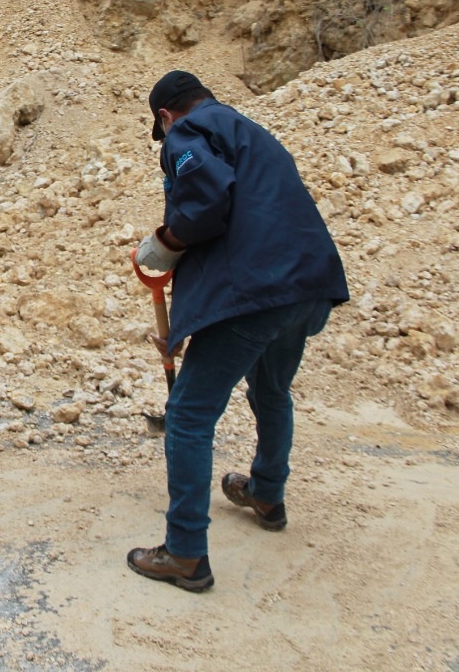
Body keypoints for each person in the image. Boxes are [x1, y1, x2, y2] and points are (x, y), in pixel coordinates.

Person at [128, 70, 349, 592]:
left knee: (187, 415)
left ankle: (184, 553)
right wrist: (186, 326)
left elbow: (205, 206)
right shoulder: (250, 130)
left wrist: (166, 239)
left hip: (258, 293)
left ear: (165, 117)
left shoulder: (187, 132)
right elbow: (252, 222)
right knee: (271, 391)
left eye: (162, 129)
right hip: (309, 285)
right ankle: (267, 494)